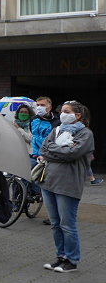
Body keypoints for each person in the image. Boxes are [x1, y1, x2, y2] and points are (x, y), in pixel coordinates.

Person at [39, 101, 95, 273]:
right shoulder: (56, 130)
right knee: (55, 223)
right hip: (48, 182)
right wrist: (61, 150)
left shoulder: (85, 134)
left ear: (77, 115)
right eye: (61, 111)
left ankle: (72, 260)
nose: (62, 114)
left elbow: (73, 153)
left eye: (66, 111)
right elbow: (43, 149)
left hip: (68, 184)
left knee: (67, 225)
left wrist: (54, 150)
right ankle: (61, 256)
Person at [31, 96, 60, 225]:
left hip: (48, 156)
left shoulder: (57, 122)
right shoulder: (34, 120)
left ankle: (53, 215)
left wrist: (46, 154)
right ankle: (25, 198)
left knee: (50, 186)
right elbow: (33, 137)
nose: (39, 107)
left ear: (50, 107)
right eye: (37, 105)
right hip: (34, 154)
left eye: (42, 105)